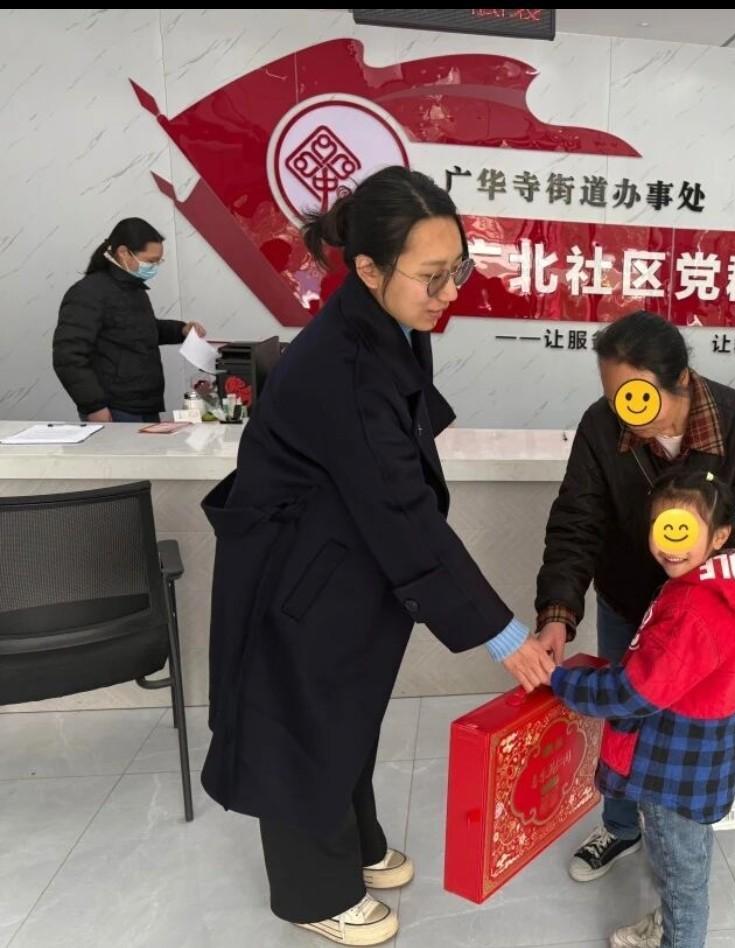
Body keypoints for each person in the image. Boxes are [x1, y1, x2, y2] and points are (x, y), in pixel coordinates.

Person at [199, 167, 555, 946]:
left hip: (341, 553)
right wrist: (502, 636)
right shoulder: (344, 366)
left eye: (457, 269)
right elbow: (403, 512)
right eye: (432, 276)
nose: (448, 292)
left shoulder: (386, 321)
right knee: (303, 721)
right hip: (299, 572)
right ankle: (313, 894)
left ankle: (357, 845)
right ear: (367, 268)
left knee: (347, 710)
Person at [534, 310, 735, 881]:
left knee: (686, 736)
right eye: (614, 396)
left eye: (637, 398)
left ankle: (680, 845)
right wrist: (557, 614)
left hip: (703, 619)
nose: (624, 413)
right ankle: (620, 827)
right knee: (624, 715)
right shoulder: (601, 427)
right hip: (628, 600)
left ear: (680, 380)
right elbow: (576, 521)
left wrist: (701, 606)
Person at [551, 469, 735, 948]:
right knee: (689, 857)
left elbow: (635, 692)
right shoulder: (723, 583)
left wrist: (562, 682)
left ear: (719, 536)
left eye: (683, 531)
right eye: (662, 529)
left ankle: (677, 937)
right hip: (704, 758)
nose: (670, 546)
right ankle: (669, 925)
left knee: (679, 876)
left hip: (672, 771)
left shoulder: (693, 608)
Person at [53, 218, 206, 422]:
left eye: (158, 261)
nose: (154, 267)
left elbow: (141, 330)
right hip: (114, 408)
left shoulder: (134, 288)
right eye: (150, 261)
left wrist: (181, 330)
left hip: (144, 405)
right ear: (123, 253)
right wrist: (94, 406)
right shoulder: (88, 292)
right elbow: (68, 355)